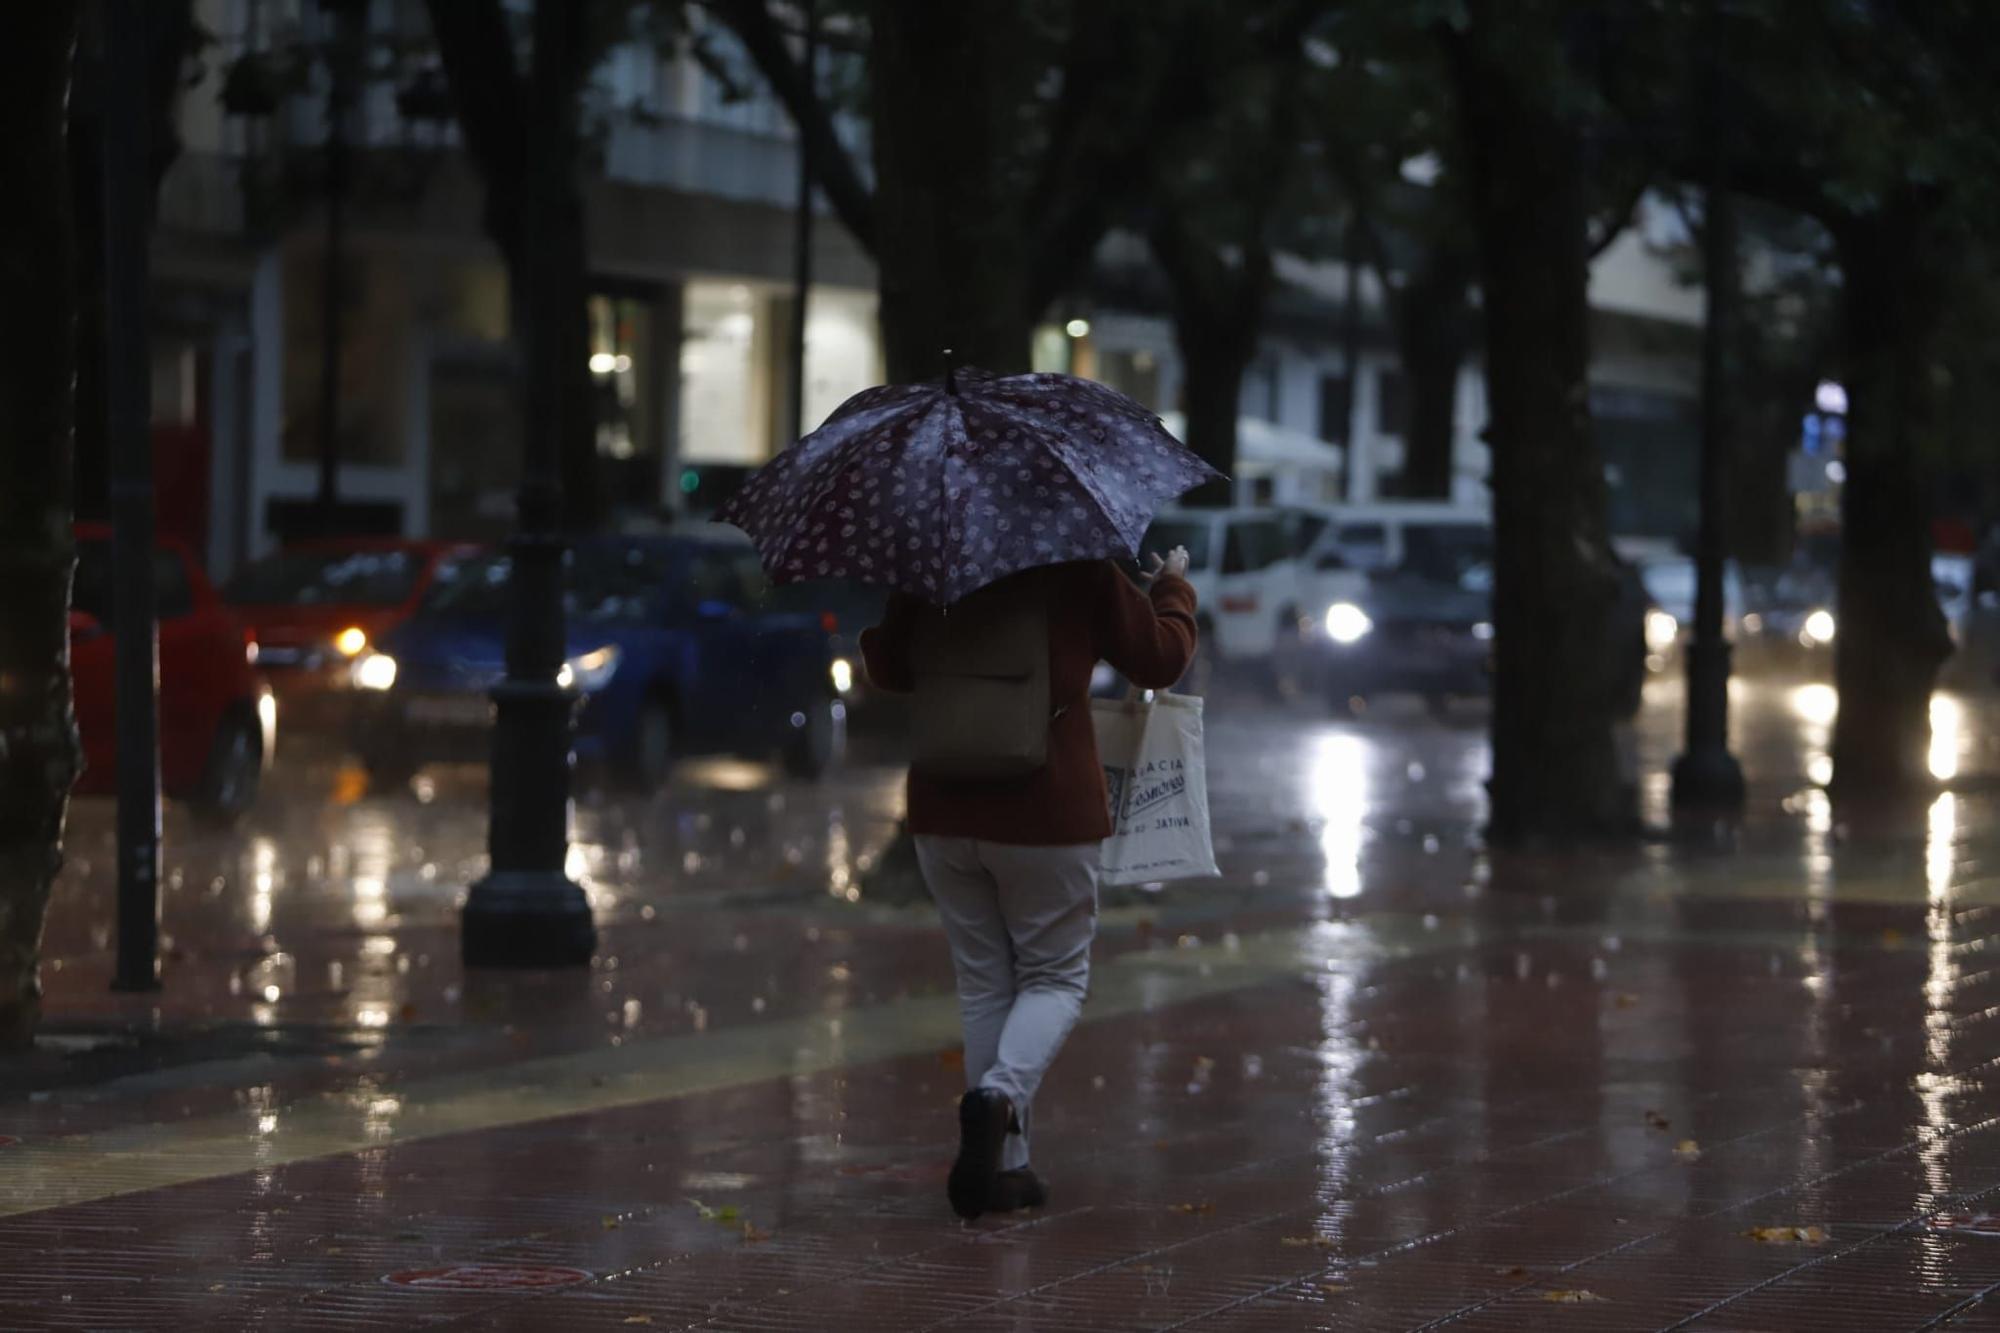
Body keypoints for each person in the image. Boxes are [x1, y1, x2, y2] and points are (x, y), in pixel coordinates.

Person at [860, 548, 1197, 1220]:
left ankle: (1006, 1168)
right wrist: (1172, 589)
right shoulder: (1079, 564)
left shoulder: (936, 560)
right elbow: (1159, 658)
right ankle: (997, 1098)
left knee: (986, 982)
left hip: (943, 809)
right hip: (1047, 809)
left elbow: (889, 668)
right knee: (1055, 979)